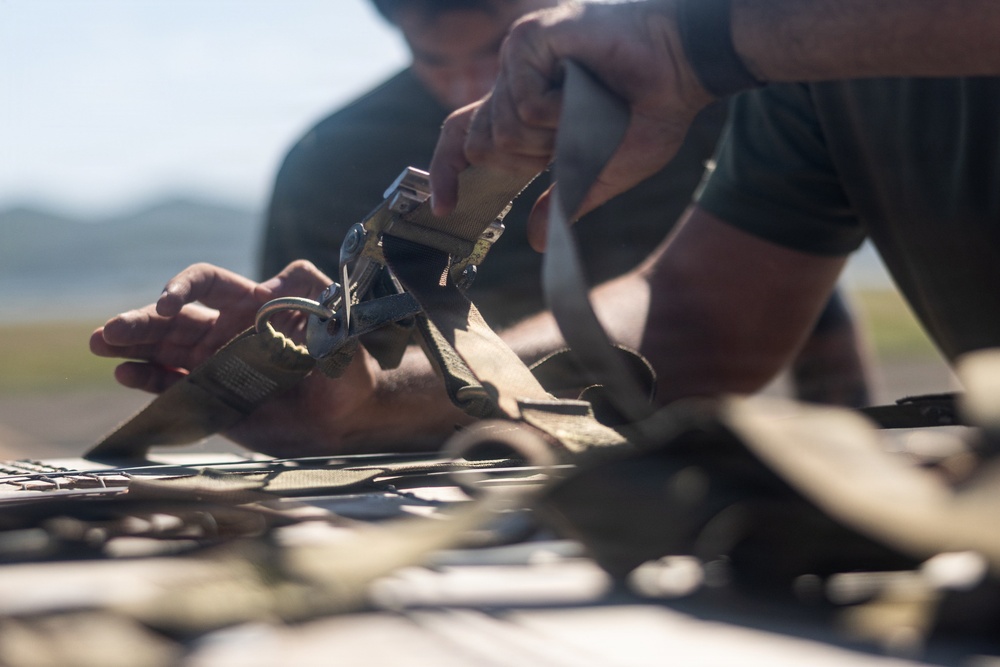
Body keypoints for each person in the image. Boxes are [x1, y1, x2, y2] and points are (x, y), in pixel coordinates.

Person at [92, 0, 992, 457]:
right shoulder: (808, 68)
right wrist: (376, 398)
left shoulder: (733, 52)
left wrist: (697, 42)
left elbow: (821, 335)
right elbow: (698, 321)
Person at [259, 0, 871, 402]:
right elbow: (311, 363)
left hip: (681, 446)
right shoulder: (328, 164)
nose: (474, 91)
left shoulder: (691, 101)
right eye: (436, 62)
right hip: (433, 463)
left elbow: (791, 288)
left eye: (498, 49)